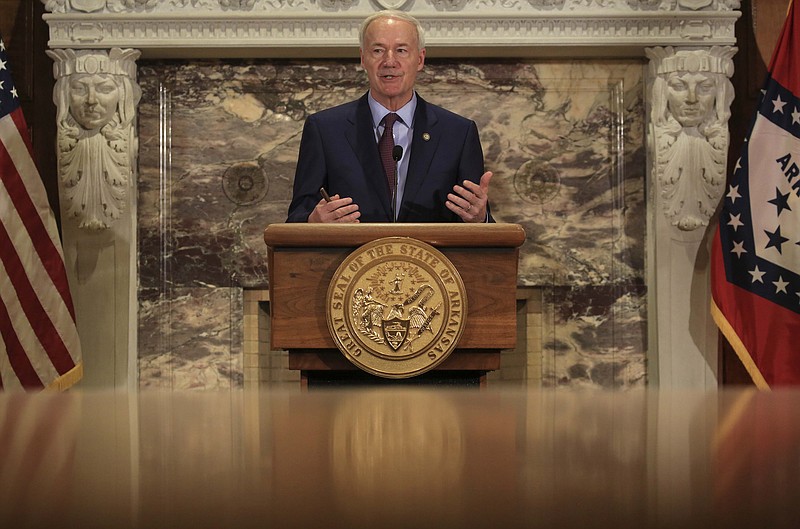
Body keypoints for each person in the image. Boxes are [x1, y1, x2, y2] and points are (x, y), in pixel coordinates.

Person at [286, 10, 493, 223]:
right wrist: (313, 222)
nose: (389, 61)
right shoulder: (324, 130)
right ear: (363, 58)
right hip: (347, 256)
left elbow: (478, 228)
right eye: (378, 50)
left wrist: (479, 219)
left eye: (401, 50)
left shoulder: (458, 133)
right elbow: (296, 218)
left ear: (420, 59)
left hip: (431, 256)